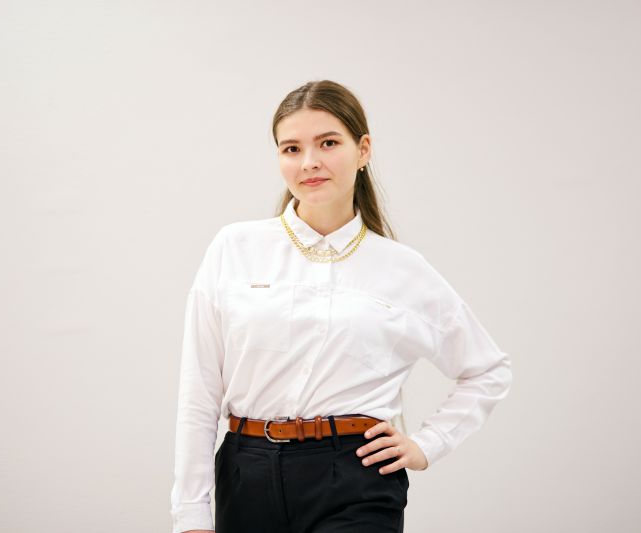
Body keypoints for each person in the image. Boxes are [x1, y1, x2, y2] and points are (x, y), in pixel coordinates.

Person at [170, 80, 513, 533]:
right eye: (291, 149)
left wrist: (427, 444)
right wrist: (191, 513)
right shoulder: (234, 248)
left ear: (363, 150)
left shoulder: (403, 270)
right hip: (246, 473)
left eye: (328, 143)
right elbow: (199, 393)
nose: (309, 162)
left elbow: (487, 369)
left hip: (355, 477)